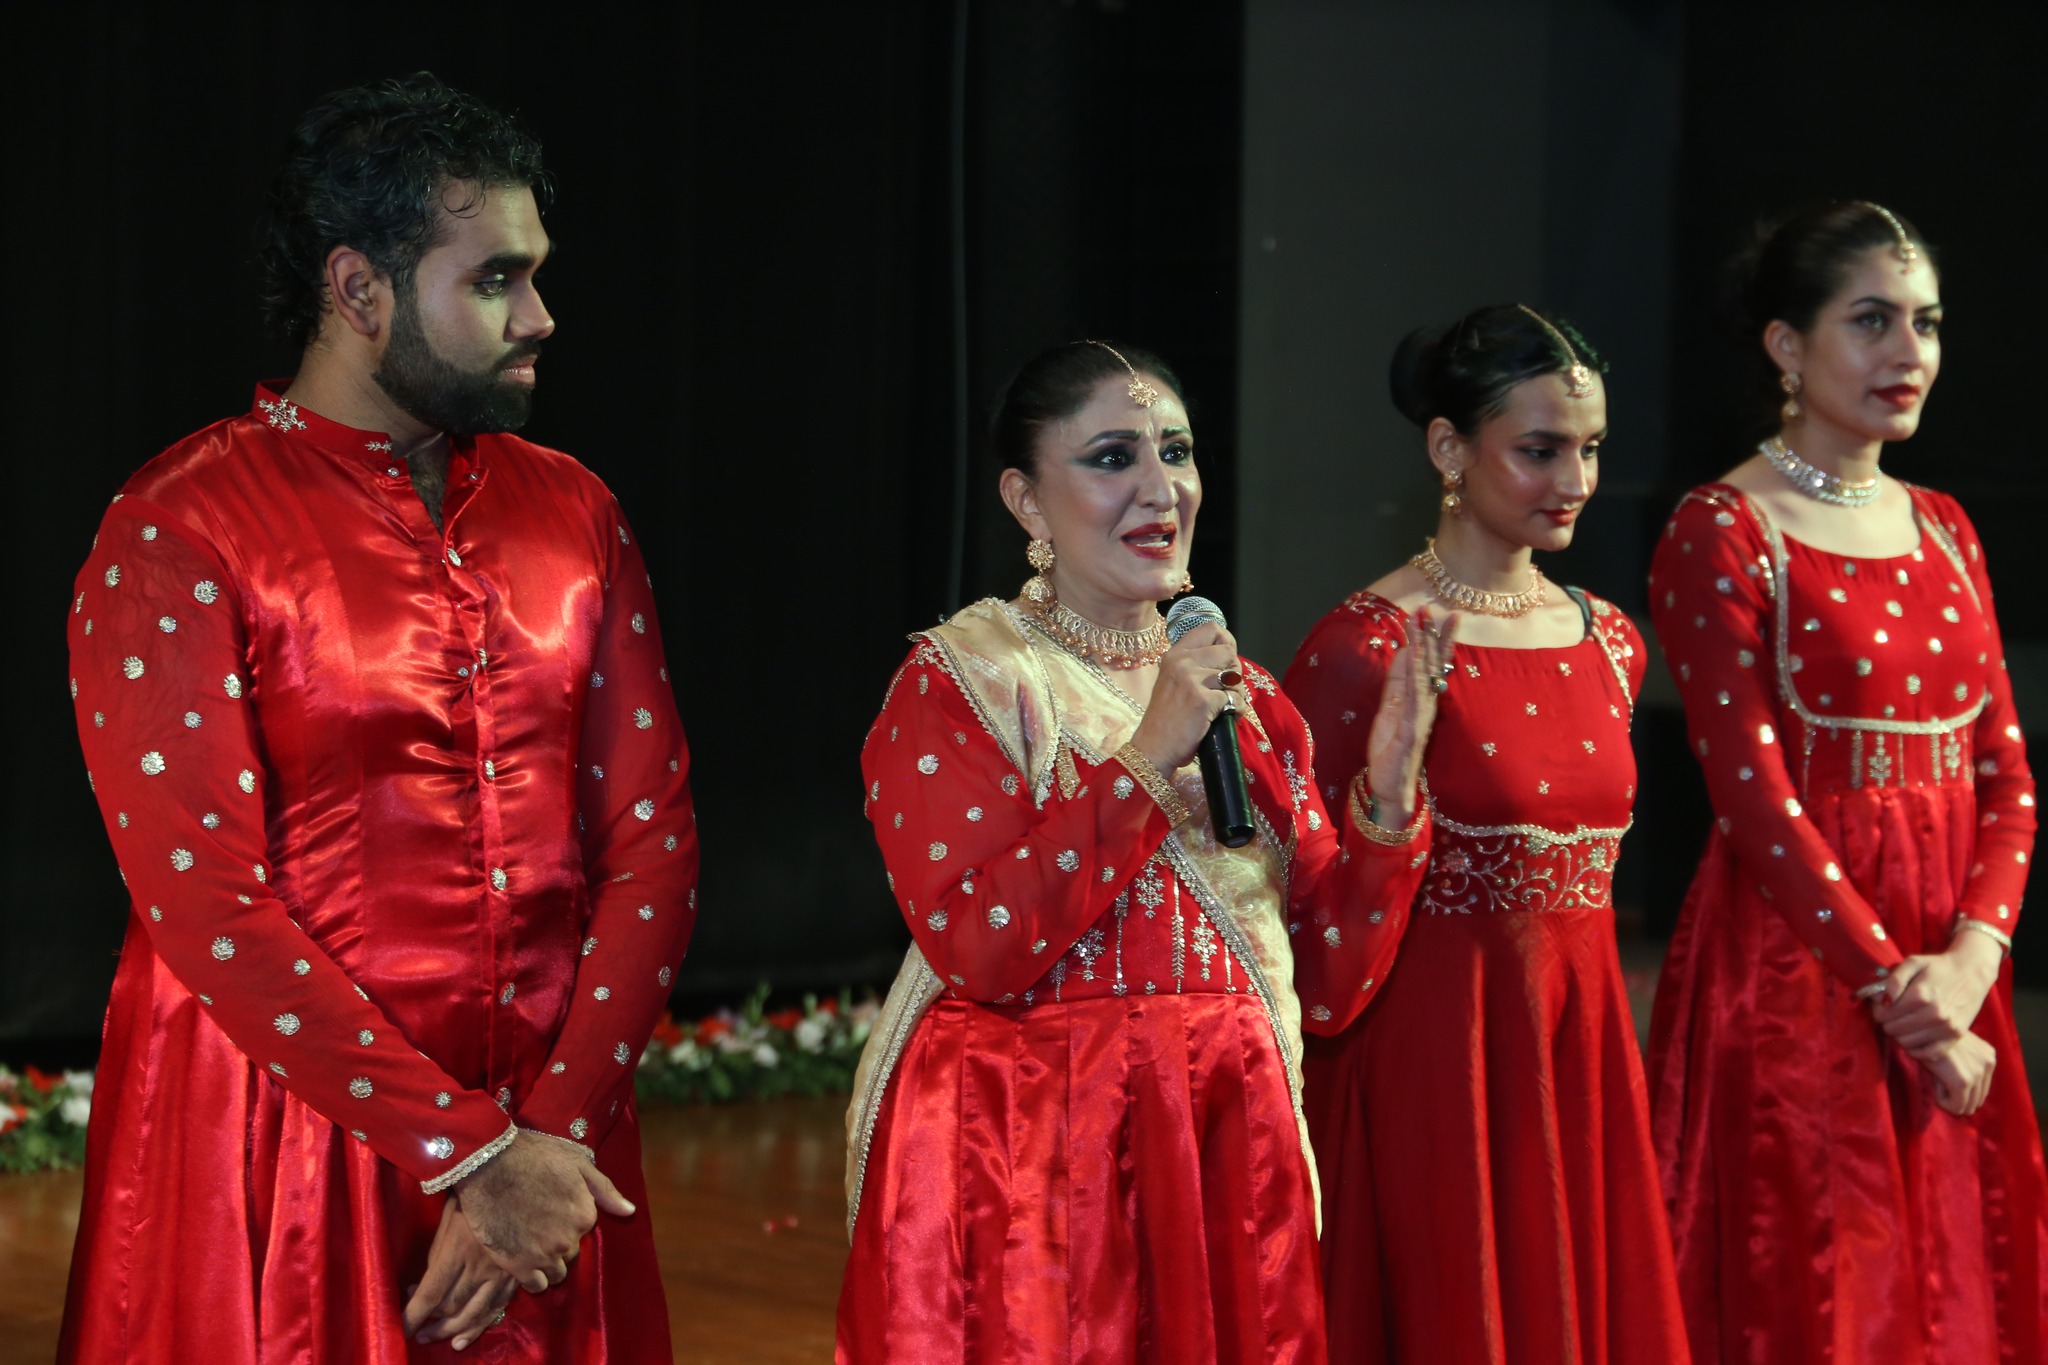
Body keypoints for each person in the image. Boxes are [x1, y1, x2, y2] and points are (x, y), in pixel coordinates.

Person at [60, 74, 697, 1362]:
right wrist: (468, 1151)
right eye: (495, 280)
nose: (539, 316)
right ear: (358, 290)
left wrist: (546, 1143)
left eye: (533, 275)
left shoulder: (572, 510)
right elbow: (205, 903)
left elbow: (652, 845)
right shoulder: (181, 526)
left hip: (551, 1142)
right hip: (286, 1140)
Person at [835, 340, 1440, 1362]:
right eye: (1113, 456)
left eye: (1177, 451)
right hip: (1026, 1159)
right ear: (1026, 501)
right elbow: (981, 948)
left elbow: (1330, 985)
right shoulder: (966, 681)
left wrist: (1386, 799)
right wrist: (1147, 757)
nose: (1161, 488)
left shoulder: (1248, 705)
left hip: (1221, 1150)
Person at [1647, 200, 2048, 1361]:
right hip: (1802, 971)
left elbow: (2004, 772)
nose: (1906, 352)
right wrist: (1895, 993)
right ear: (1785, 344)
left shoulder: (1945, 527)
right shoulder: (1720, 530)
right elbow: (1754, 805)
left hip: (1946, 966)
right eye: (1870, 321)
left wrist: (1969, 962)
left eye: (1925, 322)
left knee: (1952, 1287)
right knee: (1822, 1289)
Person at [1285, 305, 1690, 1363]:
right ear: (1447, 448)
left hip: (1579, 1057)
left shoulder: (1610, 640)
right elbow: (1300, 920)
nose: (1575, 478)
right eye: (1539, 449)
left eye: (1591, 448)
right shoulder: (1362, 648)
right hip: (1433, 1070)